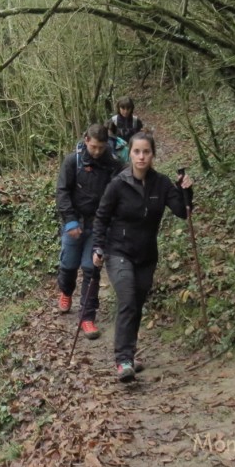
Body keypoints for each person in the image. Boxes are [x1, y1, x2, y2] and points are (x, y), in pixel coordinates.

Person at [92, 132, 193, 382]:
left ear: (153, 155)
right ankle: (123, 360)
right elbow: (102, 217)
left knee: (136, 304)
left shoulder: (161, 183)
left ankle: (130, 354)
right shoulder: (118, 184)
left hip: (147, 255)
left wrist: (186, 191)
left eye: (146, 152)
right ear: (131, 154)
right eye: (137, 151)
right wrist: (97, 248)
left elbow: (182, 212)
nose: (141, 156)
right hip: (118, 251)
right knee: (127, 299)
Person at [54, 123, 123, 339]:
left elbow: (121, 192)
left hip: (98, 224)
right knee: (68, 265)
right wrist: (70, 220)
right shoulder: (72, 161)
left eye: (101, 148)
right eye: (93, 147)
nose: (96, 152)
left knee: (91, 269)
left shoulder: (113, 165)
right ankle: (66, 292)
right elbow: (62, 191)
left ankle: (87, 317)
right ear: (86, 141)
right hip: (74, 222)